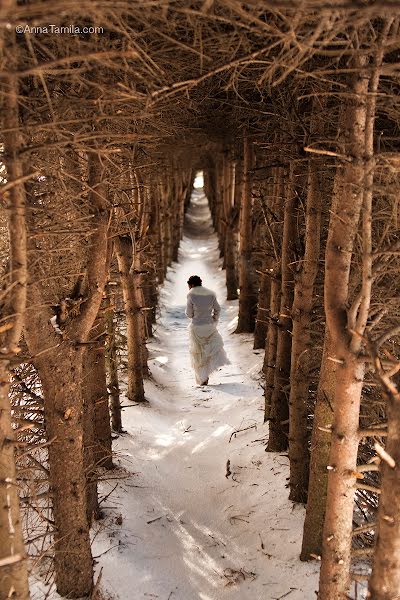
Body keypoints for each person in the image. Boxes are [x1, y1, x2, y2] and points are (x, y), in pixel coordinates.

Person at [185, 275, 230, 386]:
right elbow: (218, 309)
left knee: (198, 353)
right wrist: (214, 320)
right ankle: (206, 375)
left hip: (196, 327)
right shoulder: (211, 293)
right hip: (209, 326)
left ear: (191, 284)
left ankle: (202, 378)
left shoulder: (191, 294)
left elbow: (189, 313)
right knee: (208, 351)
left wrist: (194, 315)